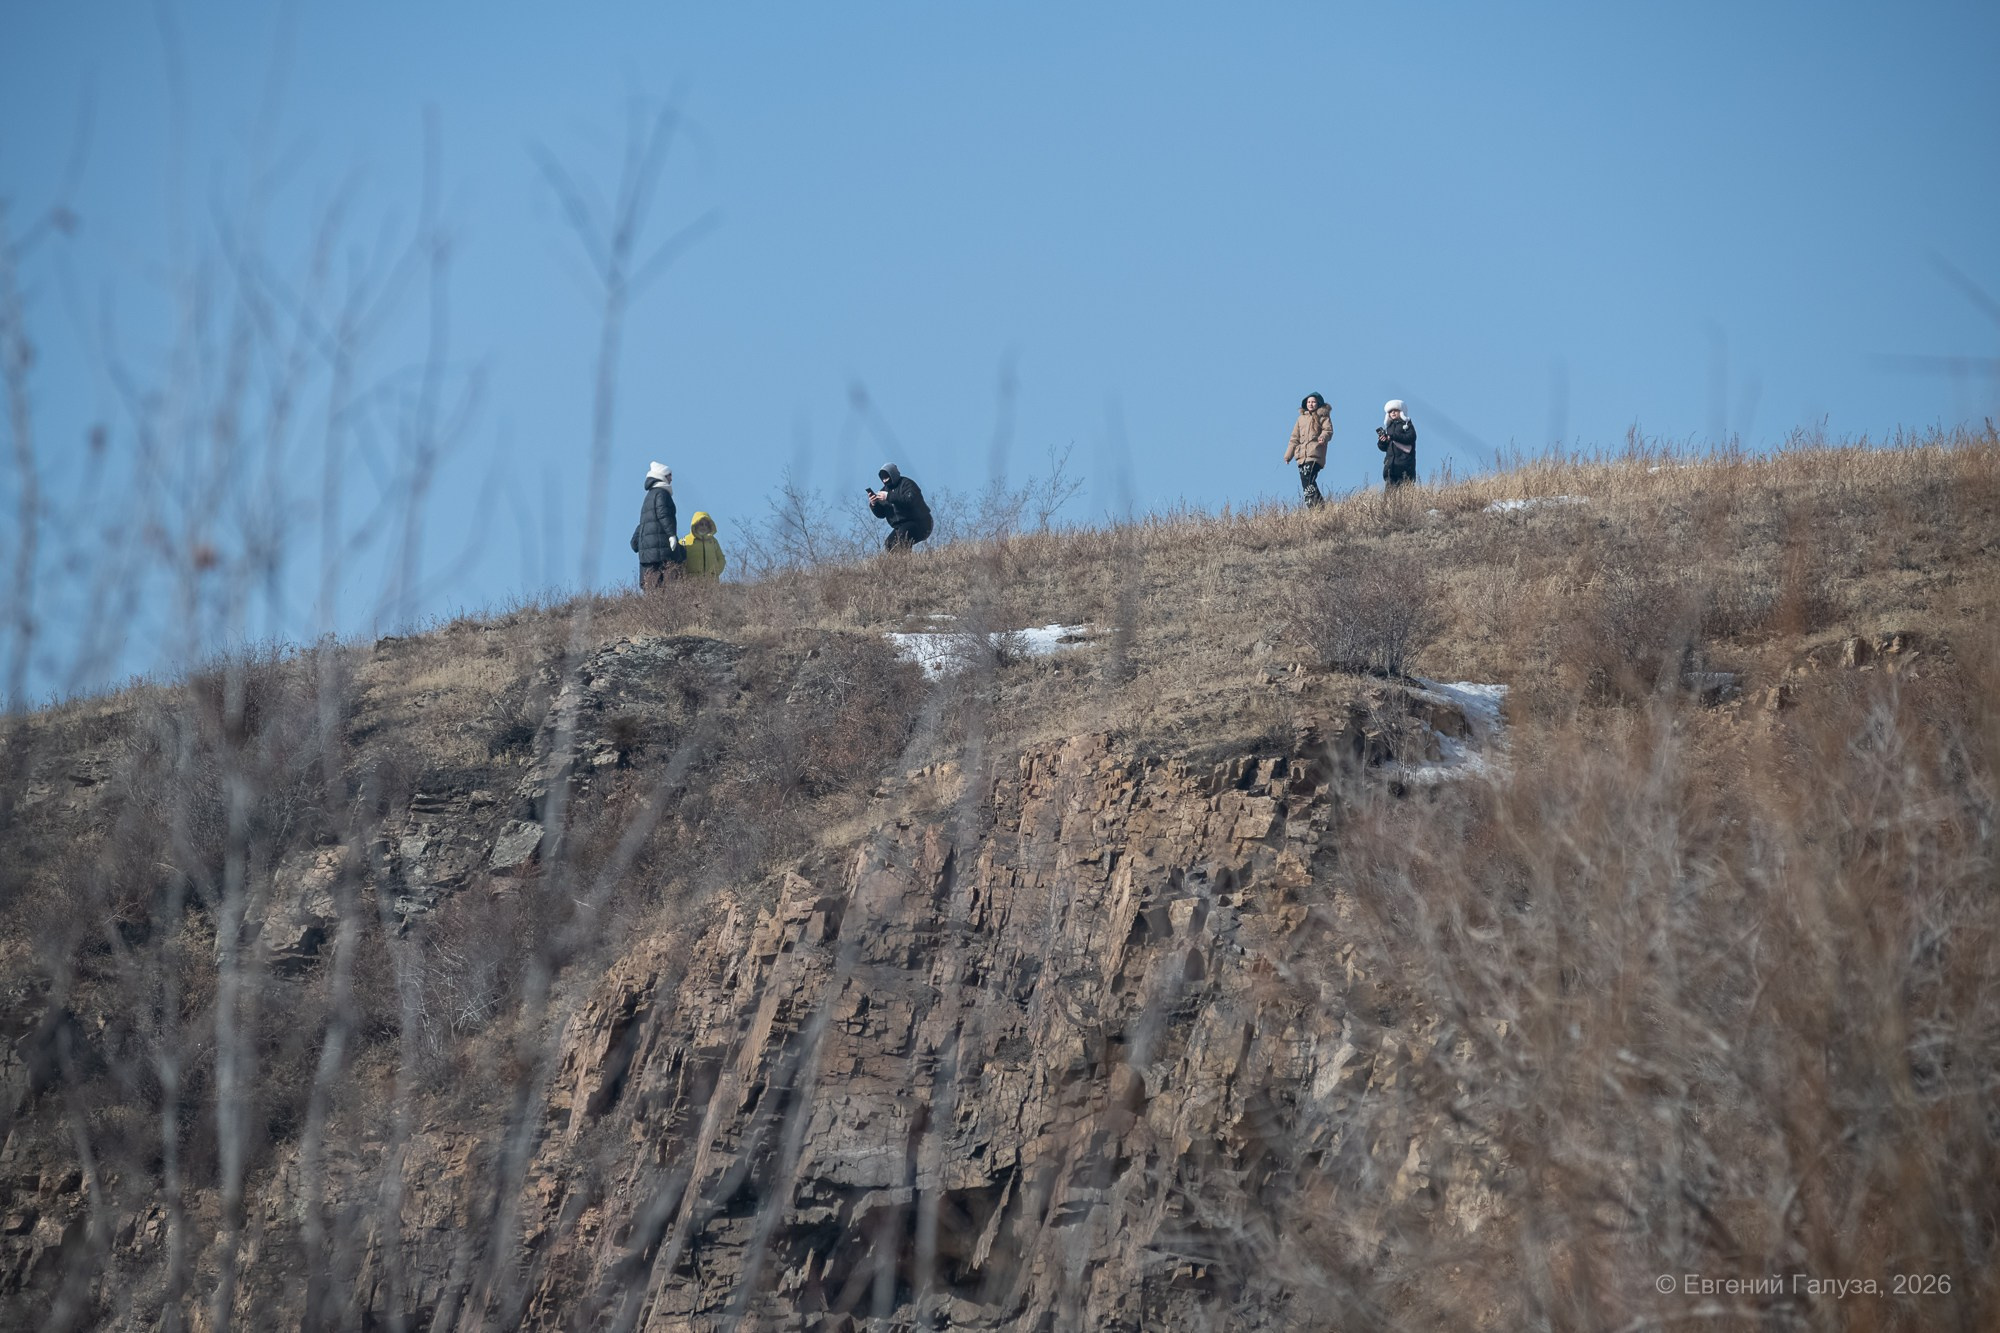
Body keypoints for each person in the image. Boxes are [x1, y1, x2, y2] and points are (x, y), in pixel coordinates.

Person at [629, 461, 684, 588]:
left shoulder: (649, 496)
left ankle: (654, 606)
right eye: (669, 475)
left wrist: (636, 541)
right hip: (661, 547)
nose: (671, 478)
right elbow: (663, 514)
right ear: (662, 475)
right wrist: (671, 535)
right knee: (669, 581)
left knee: (652, 586)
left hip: (648, 550)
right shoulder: (662, 494)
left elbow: (644, 522)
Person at [868, 463, 933, 552]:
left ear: (892, 474)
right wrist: (874, 504)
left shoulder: (907, 484)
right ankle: (899, 564)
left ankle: (907, 562)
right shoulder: (884, 491)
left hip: (921, 522)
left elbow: (910, 500)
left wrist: (889, 496)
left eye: (886, 476)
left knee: (903, 535)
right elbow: (881, 514)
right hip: (900, 527)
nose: (885, 479)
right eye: (883, 477)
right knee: (889, 543)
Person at [1284, 393, 1332, 507]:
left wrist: (1323, 437)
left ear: (1318, 403)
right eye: (1309, 402)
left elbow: (1328, 431)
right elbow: (1294, 438)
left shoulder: (1323, 416)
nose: (1311, 404)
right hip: (1301, 457)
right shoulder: (1301, 419)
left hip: (1315, 454)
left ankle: (1312, 505)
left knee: (1308, 478)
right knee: (1306, 482)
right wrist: (1288, 456)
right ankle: (1320, 505)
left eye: (1313, 402)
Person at [1377, 400, 1417, 489]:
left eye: (1396, 410)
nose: (1393, 413)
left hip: (1405, 464)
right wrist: (1382, 442)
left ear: (1401, 411)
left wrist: (1392, 436)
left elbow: (1411, 437)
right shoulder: (1388, 427)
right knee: (1389, 493)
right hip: (1390, 465)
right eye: (1390, 411)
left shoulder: (1407, 425)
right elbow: (1383, 448)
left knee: (1405, 490)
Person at [679, 511, 727, 578]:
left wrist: (715, 571)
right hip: (691, 584)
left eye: (706, 524)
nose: (704, 527)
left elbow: (721, 558)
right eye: (701, 524)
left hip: (711, 583)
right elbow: (678, 562)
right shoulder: (684, 541)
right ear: (695, 525)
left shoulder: (713, 542)